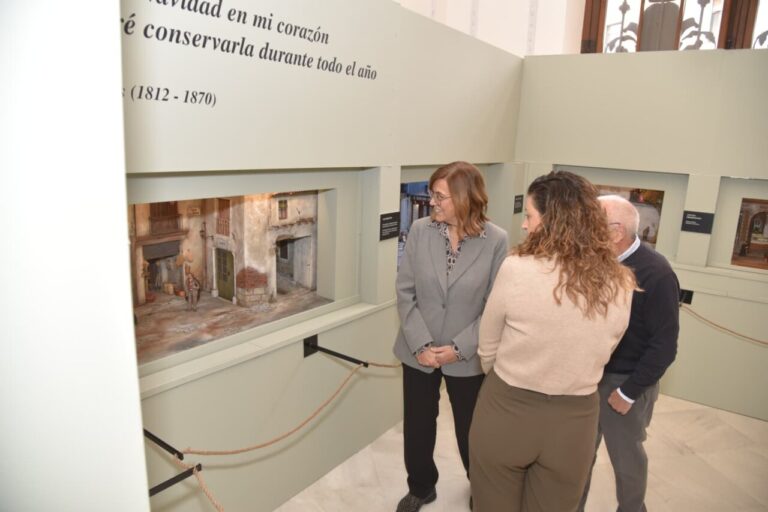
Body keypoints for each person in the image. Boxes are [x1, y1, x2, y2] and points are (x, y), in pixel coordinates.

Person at [469, 170, 635, 512]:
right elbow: (608, 346)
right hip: (575, 422)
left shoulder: (517, 267)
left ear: (554, 220)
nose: (526, 225)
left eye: (529, 216)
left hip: (507, 408)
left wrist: (509, 376)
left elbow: (487, 344)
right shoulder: (621, 281)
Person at [393, 161, 508, 512]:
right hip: (419, 352)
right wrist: (423, 346)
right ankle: (421, 487)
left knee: (471, 432)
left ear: (464, 198)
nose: (432, 202)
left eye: (439, 196)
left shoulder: (497, 241)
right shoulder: (419, 231)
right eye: (431, 194)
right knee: (417, 426)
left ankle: (482, 489)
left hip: (466, 356)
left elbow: (494, 306)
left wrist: (458, 349)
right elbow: (405, 290)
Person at [577, 195, 679, 512]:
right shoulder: (593, 260)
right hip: (587, 378)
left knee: (627, 462)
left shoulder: (657, 274)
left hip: (625, 382)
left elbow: (664, 346)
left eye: (592, 223)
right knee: (578, 458)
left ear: (616, 231)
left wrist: (629, 392)